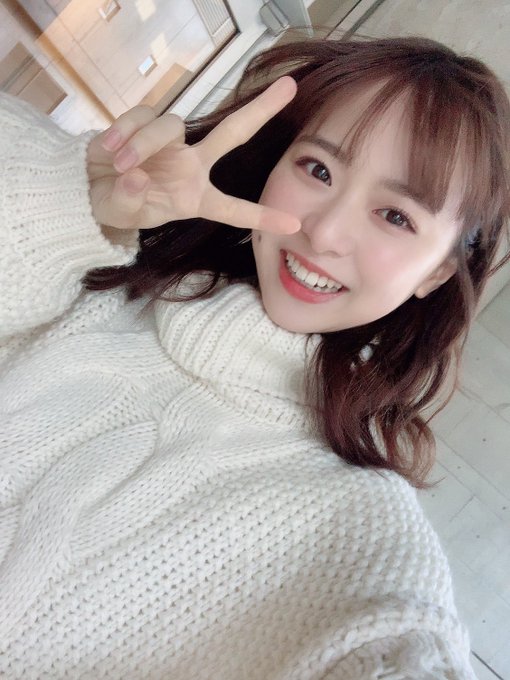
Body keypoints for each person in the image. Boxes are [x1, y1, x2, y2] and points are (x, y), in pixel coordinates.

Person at [0, 34, 509, 679]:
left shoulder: (354, 526)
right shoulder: (97, 268)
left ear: (437, 273)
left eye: (395, 216)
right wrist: (72, 197)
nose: (324, 232)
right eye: (318, 170)